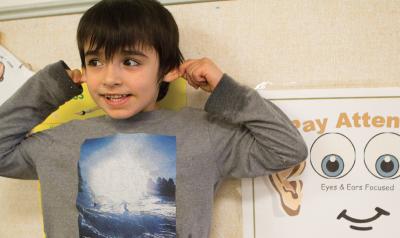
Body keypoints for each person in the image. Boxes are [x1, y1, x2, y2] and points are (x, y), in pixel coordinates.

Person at [0, 0, 308, 237]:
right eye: (95, 61)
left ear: (169, 69)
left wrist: (224, 88)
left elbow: (286, 148)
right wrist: (50, 86)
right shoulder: (60, 140)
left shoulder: (204, 134)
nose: (110, 78)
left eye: (130, 61)